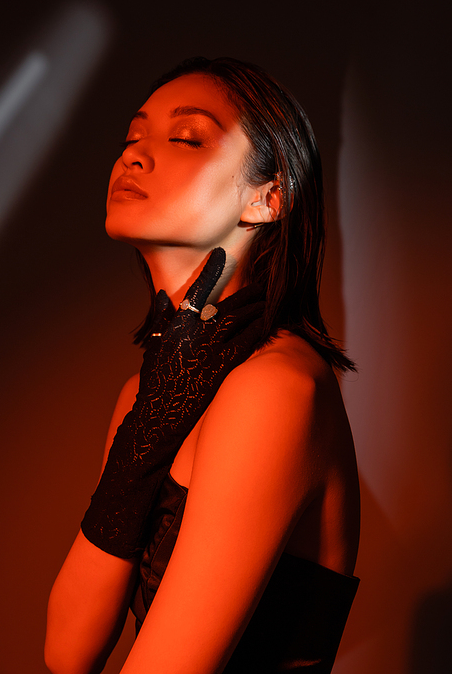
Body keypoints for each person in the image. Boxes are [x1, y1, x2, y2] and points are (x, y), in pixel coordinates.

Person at [45, 57, 360, 674]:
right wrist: (149, 428)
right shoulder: (151, 392)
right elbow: (67, 651)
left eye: (186, 138)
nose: (132, 157)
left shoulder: (275, 387)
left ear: (268, 199)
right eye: (132, 139)